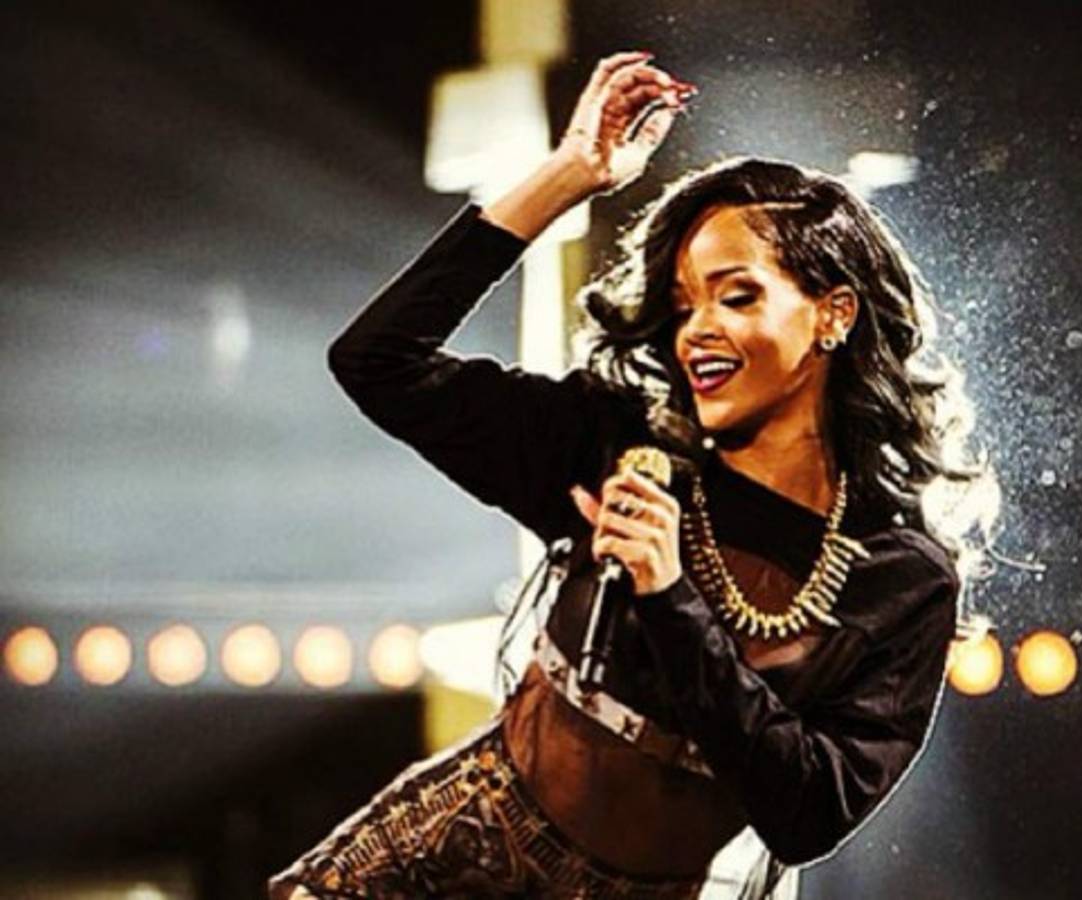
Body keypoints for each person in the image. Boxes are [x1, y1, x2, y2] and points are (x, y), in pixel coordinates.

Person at [269, 50, 993, 900]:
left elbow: (808, 815)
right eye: (683, 305)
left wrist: (669, 593)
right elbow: (377, 360)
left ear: (832, 314)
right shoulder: (619, 444)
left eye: (736, 296)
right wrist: (571, 175)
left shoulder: (899, 578)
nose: (696, 331)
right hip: (454, 856)